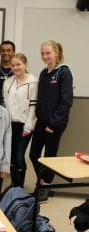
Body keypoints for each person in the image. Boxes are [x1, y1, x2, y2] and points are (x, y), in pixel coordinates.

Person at [29, 40, 73, 202]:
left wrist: (53, 123)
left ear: (56, 53)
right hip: (41, 120)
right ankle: (43, 182)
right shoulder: (43, 73)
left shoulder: (64, 72)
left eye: (48, 53)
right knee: (34, 154)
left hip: (55, 123)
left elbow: (66, 101)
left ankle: (45, 185)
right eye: (42, 53)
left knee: (49, 157)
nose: (45, 56)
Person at [3, 53, 38, 187]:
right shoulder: (8, 82)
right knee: (11, 156)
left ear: (25, 64)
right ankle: (13, 185)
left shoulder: (33, 82)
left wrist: (29, 126)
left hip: (25, 124)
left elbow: (33, 106)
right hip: (10, 124)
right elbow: (5, 104)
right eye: (13, 65)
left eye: (18, 64)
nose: (16, 67)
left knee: (19, 155)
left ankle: (20, 186)